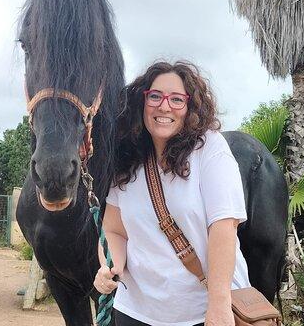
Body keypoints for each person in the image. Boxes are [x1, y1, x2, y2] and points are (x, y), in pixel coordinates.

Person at [94, 61, 251, 326]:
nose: (164, 106)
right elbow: (114, 230)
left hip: (201, 312)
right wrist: (112, 267)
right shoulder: (127, 157)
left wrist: (219, 305)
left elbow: (224, 226)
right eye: (155, 96)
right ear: (141, 101)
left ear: (190, 107)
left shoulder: (210, 149)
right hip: (135, 311)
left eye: (177, 99)